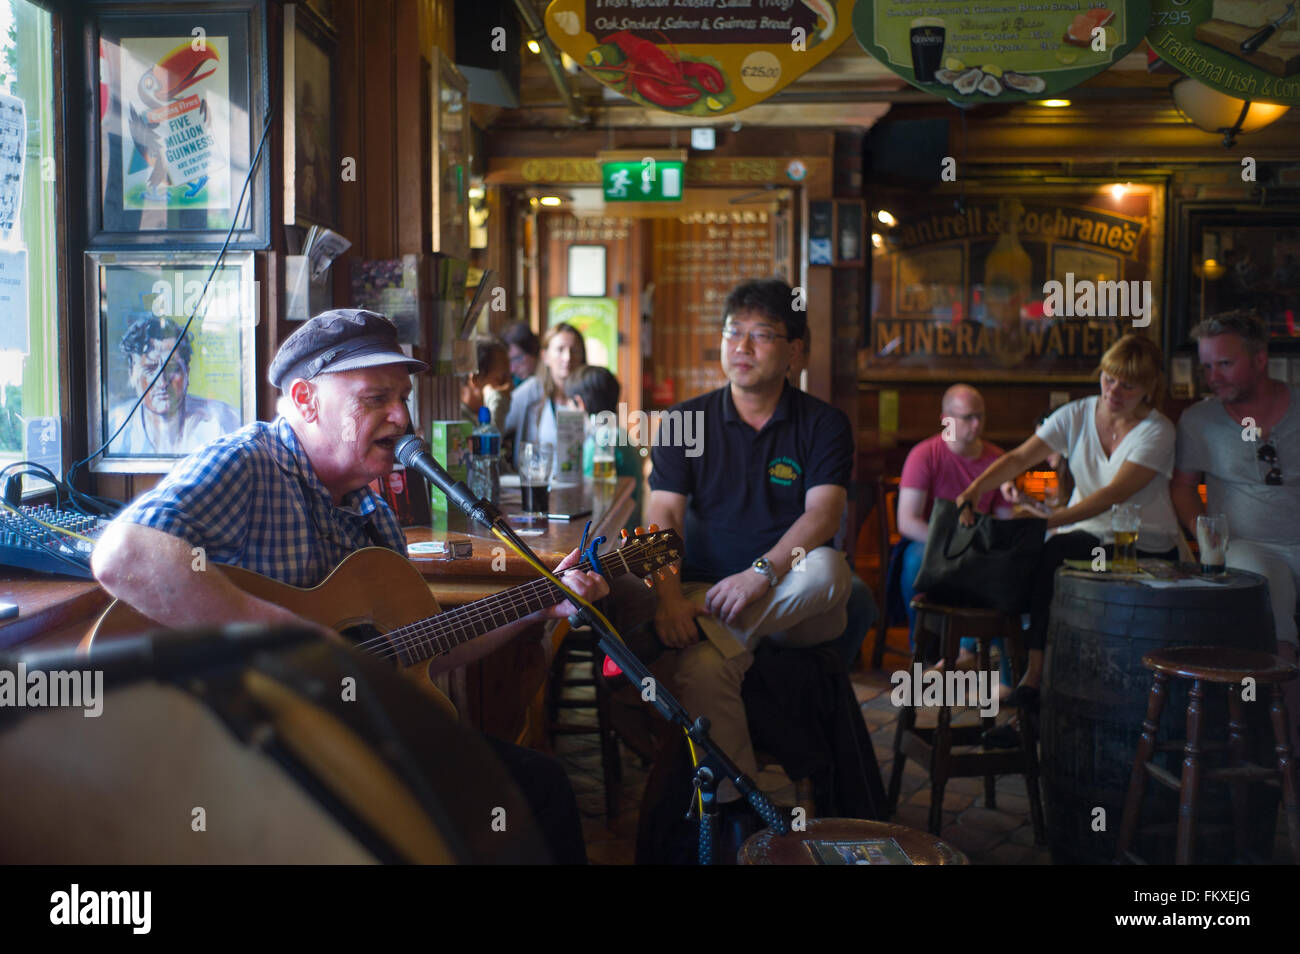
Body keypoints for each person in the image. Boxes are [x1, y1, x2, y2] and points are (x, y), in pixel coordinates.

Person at [92, 309, 607, 864]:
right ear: (306, 399)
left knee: (537, 790)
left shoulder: (375, 517)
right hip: (232, 759)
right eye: (375, 398)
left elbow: (427, 642)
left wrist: (536, 607)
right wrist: (289, 640)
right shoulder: (248, 464)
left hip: (342, 753)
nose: (402, 416)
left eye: (403, 397)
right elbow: (122, 553)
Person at [638, 278, 854, 803]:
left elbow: (823, 515)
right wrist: (667, 598)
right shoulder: (684, 421)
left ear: (795, 352)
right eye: (733, 332)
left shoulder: (823, 424)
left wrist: (762, 574)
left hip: (795, 603)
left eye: (761, 335)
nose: (741, 347)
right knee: (703, 672)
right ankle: (748, 804)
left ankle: (722, 636)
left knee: (829, 570)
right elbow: (661, 514)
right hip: (702, 592)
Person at [955, 334, 1181, 742]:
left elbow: (1113, 496)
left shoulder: (1158, 430)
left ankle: (1033, 684)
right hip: (1085, 538)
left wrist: (1048, 522)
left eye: (1128, 385)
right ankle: (1020, 685)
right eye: (1109, 379)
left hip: (1143, 542)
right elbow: (1019, 458)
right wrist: (973, 492)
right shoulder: (1076, 414)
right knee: (1030, 561)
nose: (1114, 391)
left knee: (1053, 550)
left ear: (1149, 388)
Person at [1171, 310, 1299, 752]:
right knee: (1272, 613)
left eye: (1224, 364)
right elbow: (1184, 486)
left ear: (1260, 359)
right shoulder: (1198, 420)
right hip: (1249, 546)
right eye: (1206, 366)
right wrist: (1206, 536)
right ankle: (1288, 760)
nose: (1213, 376)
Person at [897, 385, 1013, 666]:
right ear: (946, 419)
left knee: (1007, 568)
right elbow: (907, 521)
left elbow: (1003, 521)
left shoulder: (997, 459)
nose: (976, 424)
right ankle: (923, 649)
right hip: (933, 543)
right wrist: (949, 545)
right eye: (968, 417)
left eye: (980, 417)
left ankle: (973, 652)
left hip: (980, 547)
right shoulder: (925, 454)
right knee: (914, 560)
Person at [786, 324, 879, 671]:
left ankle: (826, 687)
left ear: (801, 356)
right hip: (741, 562)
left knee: (853, 594)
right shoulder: (717, 424)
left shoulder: (824, 426)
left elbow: (825, 518)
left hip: (804, 562)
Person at [108, 315, 241, 456]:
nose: (162, 382)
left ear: (187, 373)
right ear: (132, 373)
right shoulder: (115, 427)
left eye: (172, 369)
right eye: (150, 369)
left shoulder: (223, 420)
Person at [563, 364, 643, 527]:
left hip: (611, 541)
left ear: (579, 403)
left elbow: (586, 499)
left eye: (569, 402)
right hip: (628, 533)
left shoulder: (601, 443)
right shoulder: (619, 434)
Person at [503, 322, 586, 470]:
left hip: (580, 486)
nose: (567, 357)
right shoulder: (531, 391)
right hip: (538, 488)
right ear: (545, 356)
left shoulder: (589, 395)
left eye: (574, 351)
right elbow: (496, 426)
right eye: (560, 350)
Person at [460, 336, 512, 432]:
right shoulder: (458, 422)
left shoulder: (475, 417)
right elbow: (491, 444)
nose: (510, 386)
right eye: (502, 379)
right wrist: (497, 402)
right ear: (475, 379)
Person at [502, 320, 540, 386]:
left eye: (516, 359)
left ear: (533, 350)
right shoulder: (513, 383)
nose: (512, 369)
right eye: (508, 362)